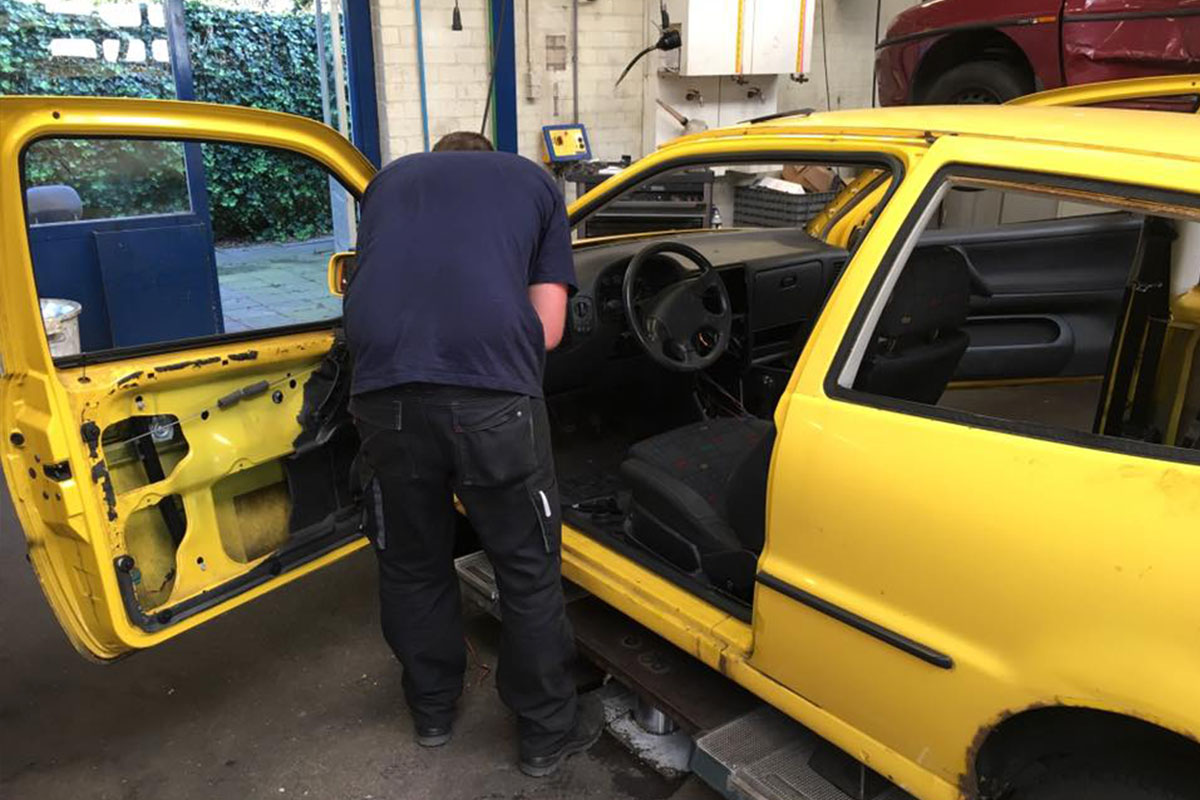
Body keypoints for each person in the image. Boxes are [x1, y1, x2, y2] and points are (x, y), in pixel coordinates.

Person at [343, 130, 601, 778]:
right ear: (491, 162)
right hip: (492, 405)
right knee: (526, 568)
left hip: (383, 398)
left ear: (437, 159)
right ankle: (545, 735)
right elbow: (549, 331)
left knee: (411, 563)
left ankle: (431, 712)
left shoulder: (389, 184)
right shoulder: (533, 182)